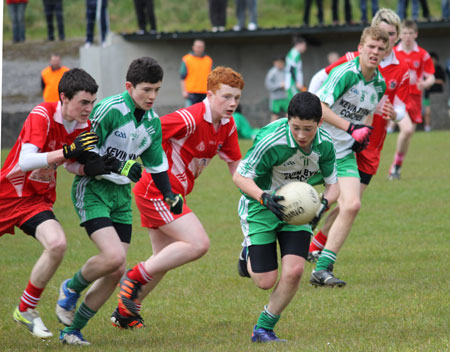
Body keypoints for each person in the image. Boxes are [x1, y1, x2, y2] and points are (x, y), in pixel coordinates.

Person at [56, 57, 183, 345]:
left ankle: (72, 330)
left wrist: (169, 194)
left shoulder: (152, 122)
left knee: (116, 270)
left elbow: (156, 163)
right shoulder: (110, 109)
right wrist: (121, 166)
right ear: (129, 86)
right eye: (146, 90)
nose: (152, 97)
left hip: (121, 197)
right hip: (93, 189)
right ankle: (70, 288)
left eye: (157, 90)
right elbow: (85, 149)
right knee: (113, 256)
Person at [110, 66, 244, 330]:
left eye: (237, 98)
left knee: (162, 259)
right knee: (198, 243)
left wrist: (259, 193)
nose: (232, 103)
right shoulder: (190, 117)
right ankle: (133, 277)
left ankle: (125, 314)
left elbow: (237, 167)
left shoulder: (227, 126)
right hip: (156, 191)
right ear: (209, 94)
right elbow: (150, 130)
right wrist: (130, 160)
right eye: (226, 97)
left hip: (172, 195)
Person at [0, 68, 99, 339]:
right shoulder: (42, 114)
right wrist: (67, 151)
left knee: (57, 244)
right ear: (64, 98)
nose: (89, 109)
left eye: (92, 102)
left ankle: (26, 309)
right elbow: (25, 161)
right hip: (7, 194)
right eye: (83, 102)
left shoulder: (83, 126)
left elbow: (71, 166)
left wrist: (95, 167)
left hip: (36, 200)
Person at [234, 92, 339, 342]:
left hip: (299, 209)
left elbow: (334, 185)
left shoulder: (325, 145)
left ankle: (263, 329)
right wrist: (264, 197)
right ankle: (247, 252)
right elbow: (239, 176)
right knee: (265, 281)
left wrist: (323, 205)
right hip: (261, 206)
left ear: (319, 124)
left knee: (294, 271)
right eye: (296, 128)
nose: (302, 135)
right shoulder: (270, 140)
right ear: (287, 119)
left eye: (308, 129)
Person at [308, 8, 409, 263]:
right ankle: (302, 240)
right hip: (335, 138)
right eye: (379, 35)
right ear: (365, 43)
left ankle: (317, 251)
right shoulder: (351, 61)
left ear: (395, 38)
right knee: (329, 199)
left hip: (369, 143)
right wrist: (305, 110)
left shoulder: (398, 70)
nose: (381, 44)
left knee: (349, 203)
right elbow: (321, 78)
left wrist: (391, 113)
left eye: (390, 35)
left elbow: (401, 109)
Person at [309, 26, 389, 286]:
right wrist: (350, 128)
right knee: (289, 205)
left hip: (343, 154)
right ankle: (251, 243)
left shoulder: (379, 83)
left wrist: (361, 133)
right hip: (315, 148)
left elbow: (365, 113)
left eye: (380, 49)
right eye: (371, 47)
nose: (375, 52)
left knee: (352, 205)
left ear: (385, 52)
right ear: (361, 47)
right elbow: (319, 107)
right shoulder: (346, 72)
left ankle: (322, 269)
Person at [388, 19, 435, 180]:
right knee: (406, 130)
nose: (407, 36)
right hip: (399, 98)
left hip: (415, 99)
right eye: (404, 33)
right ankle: (394, 167)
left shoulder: (423, 54)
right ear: (399, 35)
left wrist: (426, 83)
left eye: (410, 33)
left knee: (408, 135)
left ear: (416, 34)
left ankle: (397, 166)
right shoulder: (393, 52)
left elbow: (431, 77)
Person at [180, 39, 213, 106]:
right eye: (198, 47)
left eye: (201, 47)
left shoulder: (208, 60)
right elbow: (182, 77)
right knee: (191, 113)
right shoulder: (186, 59)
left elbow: (212, 77)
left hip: (205, 92)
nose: (199, 49)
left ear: (204, 48)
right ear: (193, 47)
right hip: (191, 93)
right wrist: (184, 91)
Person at [423, 52, 445, 132]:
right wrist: (426, 83)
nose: (432, 61)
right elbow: (422, 81)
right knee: (427, 112)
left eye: (433, 59)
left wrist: (432, 81)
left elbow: (442, 81)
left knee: (438, 112)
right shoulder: (425, 69)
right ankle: (427, 128)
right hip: (428, 95)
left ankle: (439, 127)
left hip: (438, 95)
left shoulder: (439, 69)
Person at [265, 56, 289, 122]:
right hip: (275, 98)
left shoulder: (287, 71)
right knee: (275, 115)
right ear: (274, 63)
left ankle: (289, 130)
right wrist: (279, 85)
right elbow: (268, 85)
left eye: (281, 63)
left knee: (289, 114)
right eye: (277, 63)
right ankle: (271, 131)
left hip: (285, 97)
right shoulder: (272, 72)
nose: (279, 64)